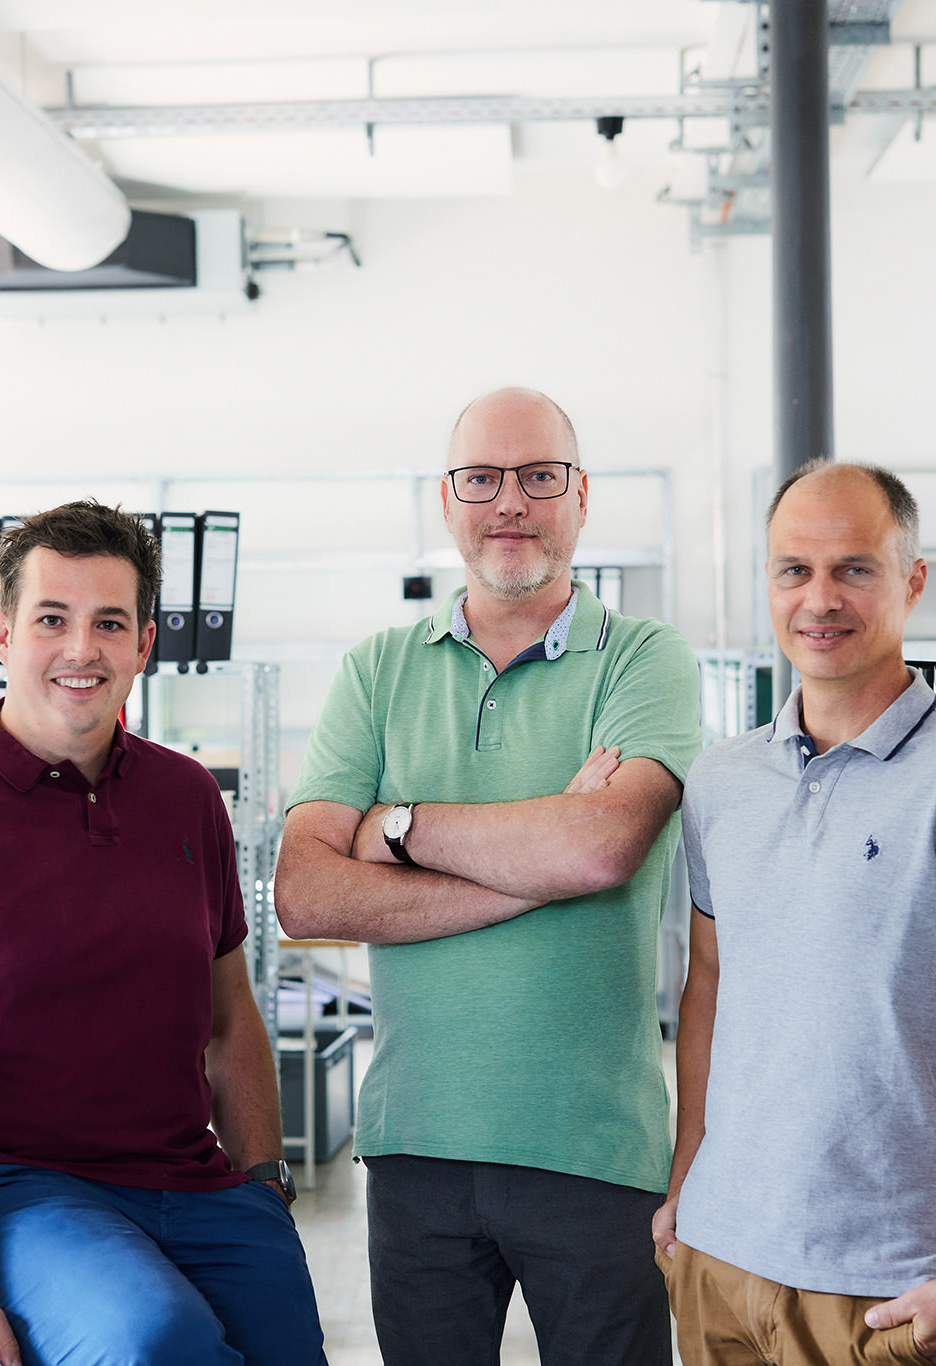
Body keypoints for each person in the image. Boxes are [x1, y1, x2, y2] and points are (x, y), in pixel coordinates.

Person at [0, 501, 325, 1366]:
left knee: (285, 1344)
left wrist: (263, 1184)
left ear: (144, 645)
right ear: (2, 634)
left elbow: (227, 1019)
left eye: (109, 623)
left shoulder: (188, 799)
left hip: (194, 1183)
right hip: (13, 1191)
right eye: (51, 620)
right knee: (155, 1340)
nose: (80, 650)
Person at [275, 387, 702, 1366]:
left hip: (593, 1148)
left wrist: (398, 826)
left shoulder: (642, 659)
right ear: (447, 499)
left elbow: (599, 849)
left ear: (580, 496)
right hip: (415, 1144)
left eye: (538, 476)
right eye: (482, 478)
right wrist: (533, 861)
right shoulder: (377, 671)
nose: (509, 501)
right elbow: (305, 895)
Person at [655, 460, 936, 1366]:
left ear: (912, 580)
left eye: (855, 568)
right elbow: (710, 990)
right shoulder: (722, 783)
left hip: (886, 1286)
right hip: (718, 1259)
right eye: (793, 570)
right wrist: (686, 1179)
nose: (820, 599)